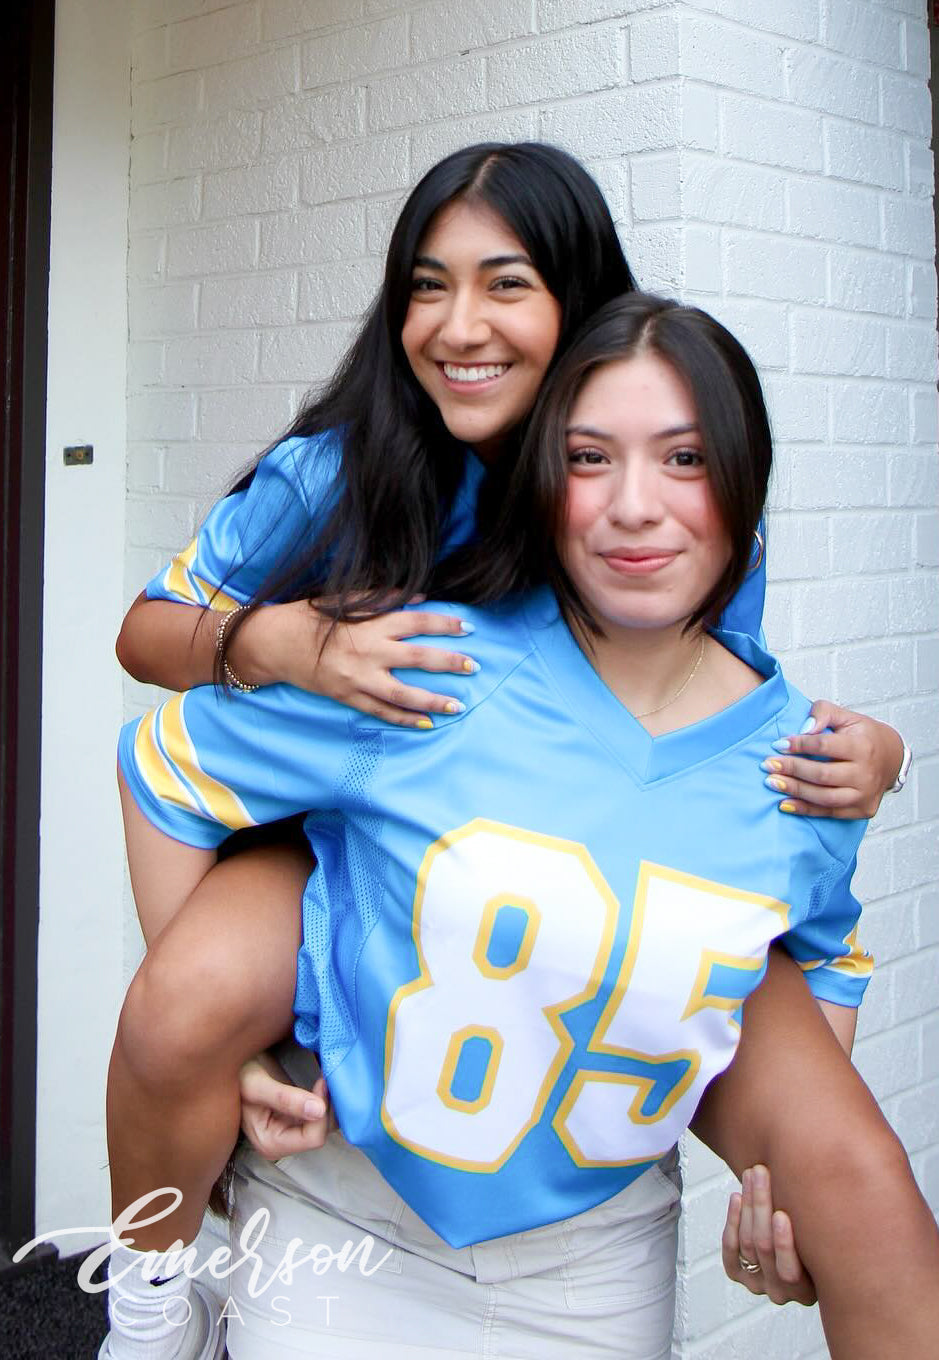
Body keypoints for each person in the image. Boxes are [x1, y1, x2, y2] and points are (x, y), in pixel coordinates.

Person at [108, 294, 939, 1360]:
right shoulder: (435, 665)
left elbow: (827, 952)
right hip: (342, 1232)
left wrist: (783, 1200)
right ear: (544, 484)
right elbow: (167, 759)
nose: (637, 506)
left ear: (745, 486)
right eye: (591, 458)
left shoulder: (801, 762)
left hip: (592, 1270)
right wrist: (229, 1036)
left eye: (685, 459)